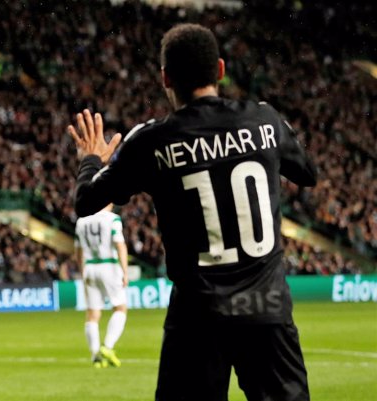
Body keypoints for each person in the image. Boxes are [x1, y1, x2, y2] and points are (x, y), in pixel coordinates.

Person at [68, 23, 317, 401]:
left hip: (198, 317)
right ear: (220, 69)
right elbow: (308, 173)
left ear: (165, 77)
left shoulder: (152, 140)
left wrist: (90, 160)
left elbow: (86, 202)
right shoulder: (264, 119)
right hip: (268, 309)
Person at [74, 204, 128, 368]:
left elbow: (78, 250)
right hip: (109, 266)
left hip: (90, 268)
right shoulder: (112, 219)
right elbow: (119, 245)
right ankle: (108, 346)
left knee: (92, 314)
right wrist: (125, 271)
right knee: (120, 308)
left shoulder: (81, 221)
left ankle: (95, 356)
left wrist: (82, 270)